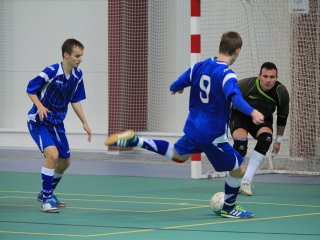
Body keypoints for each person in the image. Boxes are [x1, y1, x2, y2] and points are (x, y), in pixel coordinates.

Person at [105, 31, 264, 218]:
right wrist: (252, 111)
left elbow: (179, 82)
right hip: (212, 134)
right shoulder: (227, 74)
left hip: (193, 127)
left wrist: (175, 88)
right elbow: (234, 96)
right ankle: (229, 208)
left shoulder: (200, 66)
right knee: (239, 168)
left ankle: (136, 141)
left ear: (220, 46)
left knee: (178, 155)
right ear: (237, 51)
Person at [26, 39, 92, 213]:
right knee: (53, 155)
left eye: (81, 56)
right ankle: (46, 200)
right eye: (77, 56)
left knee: (65, 162)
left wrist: (84, 122)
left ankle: (46, 193)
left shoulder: (78, 75)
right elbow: (30, 88)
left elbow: (75, 99)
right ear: (66, 55)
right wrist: (39, 106)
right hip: (39, 122)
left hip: (57, 123)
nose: (80, 59)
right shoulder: (51, 71)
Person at [229, 62, 289, 196]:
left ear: (276, 77)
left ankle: (246, 180)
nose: (268, 80)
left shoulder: (281, 93)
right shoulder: (245, 85)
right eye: (265, 76)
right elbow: (227, 97)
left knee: (266, 138)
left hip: (262, 119)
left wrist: (278, 141)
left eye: (272, 77)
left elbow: (282, 117)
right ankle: (234, 178)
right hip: (240, 115)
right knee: (241, 145)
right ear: (259, 76)